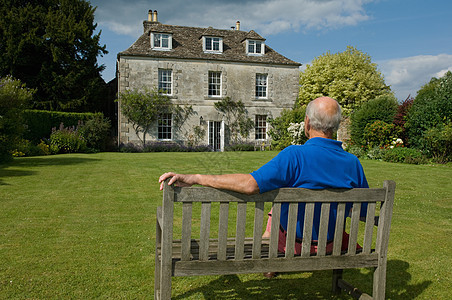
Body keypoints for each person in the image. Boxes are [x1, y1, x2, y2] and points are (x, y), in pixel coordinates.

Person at [159, 96, 368, 277]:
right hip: (331, 244)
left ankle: (272, 262)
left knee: (276, 210)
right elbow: (362, 212)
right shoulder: (353, 163)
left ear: (307, 124)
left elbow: (250, 185)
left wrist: (195, 177)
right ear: (336, 126)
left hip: (292, 246)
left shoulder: (294, 156)